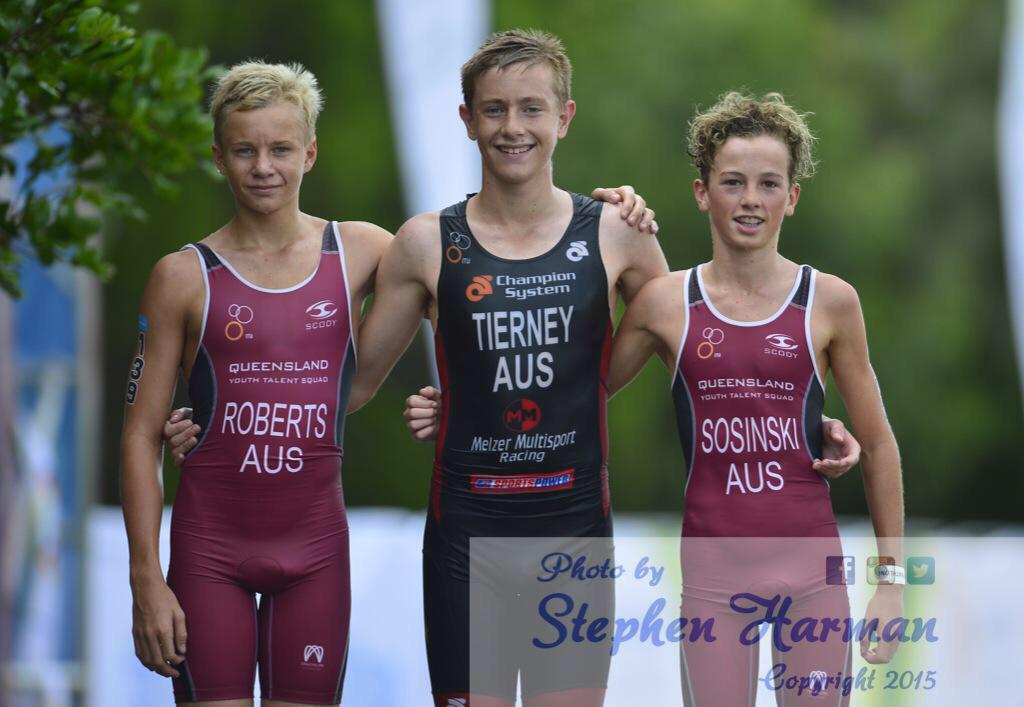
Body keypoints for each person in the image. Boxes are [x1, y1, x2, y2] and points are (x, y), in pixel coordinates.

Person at [145, 52, 652, 707]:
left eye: (532, 108)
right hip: (467, 536)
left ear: (565, 117)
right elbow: (344, 385)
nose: (512, 126)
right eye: (494, 109)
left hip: (574, 526)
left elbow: (681, 327)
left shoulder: (618, 231)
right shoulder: (421, 242)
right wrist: (213, 416)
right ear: (466, 121)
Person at [605, 91, 905, 704]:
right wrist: (592, 231)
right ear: (701, 192)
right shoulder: (665, 302)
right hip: (713, 581)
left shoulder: (831, 301)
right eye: (733, 182)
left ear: (792, 197)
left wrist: (891, 583)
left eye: (769, 184)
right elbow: (580, 396)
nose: (750, 200)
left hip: (813, 578)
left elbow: (876, 444)